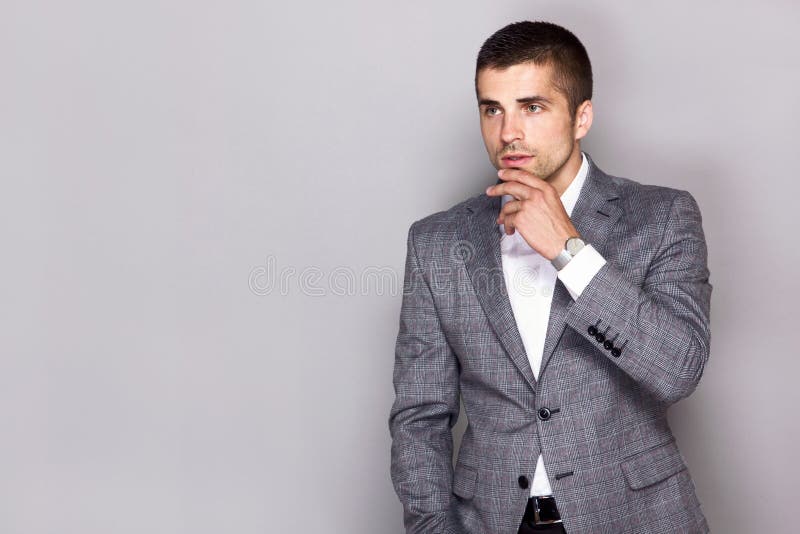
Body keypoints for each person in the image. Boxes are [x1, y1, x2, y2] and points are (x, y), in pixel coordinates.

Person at [388, 20, 712, 534]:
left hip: (633, 519)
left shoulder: (662, 217)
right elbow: (419, 416)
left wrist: (569, 251)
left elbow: (678, 369)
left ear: (582, 117)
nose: (507, 132)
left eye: (532, 107)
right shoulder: (437, 242)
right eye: (492, 109)